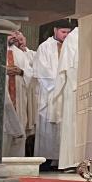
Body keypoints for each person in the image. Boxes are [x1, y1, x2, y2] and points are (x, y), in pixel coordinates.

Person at [31, 22, 73, 169]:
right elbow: (42, 70)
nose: (66, 35)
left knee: (65, 126)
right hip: (50, 93)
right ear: (55, 30)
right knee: (48, 127)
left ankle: (63, 161)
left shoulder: (71, 47)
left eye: (68, 32)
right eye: (63, 32)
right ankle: (46, 160)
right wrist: (59, 82)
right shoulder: (45, 47)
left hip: (66, 91)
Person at [52, 23, 82, 171]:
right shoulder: (73, 38)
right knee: (74, 124)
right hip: (75, 89)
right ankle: (72, 162)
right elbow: (65, 68)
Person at [3, 30, 34, 158]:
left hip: (19, 96)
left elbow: (30, 73)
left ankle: (17, 160)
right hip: (4, 96)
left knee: (19, 129)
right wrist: (4, 70)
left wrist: (21, 71)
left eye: (15, 34)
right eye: (11, 34)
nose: (14, 37)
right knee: (3, 129)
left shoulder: (20, 53)